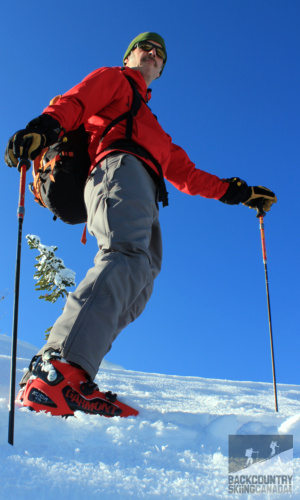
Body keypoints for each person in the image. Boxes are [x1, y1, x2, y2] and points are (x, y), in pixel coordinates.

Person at [5, 32, 277, 416]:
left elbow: (188, 175)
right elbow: (77, 101)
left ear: (161, 70)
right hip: (116, 169)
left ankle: (73, 375)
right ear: (130, 56)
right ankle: (57, 371)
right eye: (144, 48)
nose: (152, 54)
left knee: (139, 283)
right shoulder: (116, 80)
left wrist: (240, 192)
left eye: (159, 54)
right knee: (124, 255)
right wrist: (45, 127)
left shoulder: (156, 130)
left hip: (145, 189)